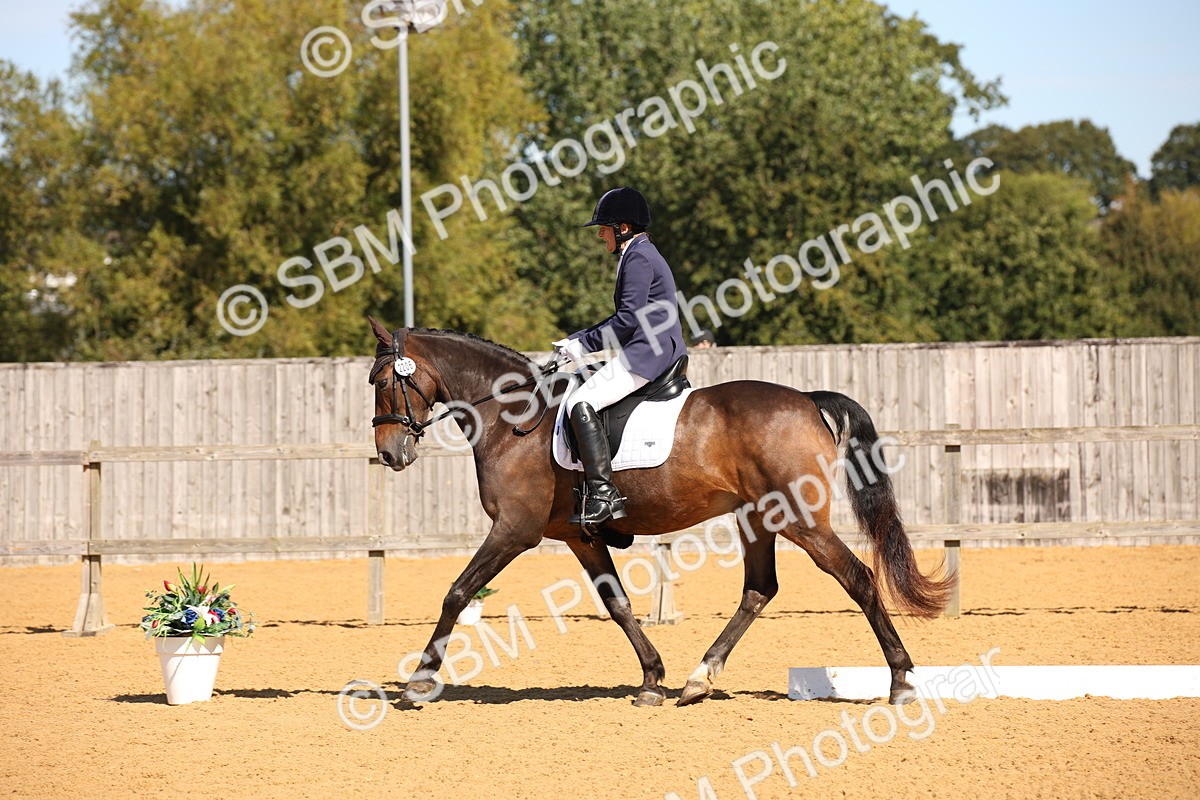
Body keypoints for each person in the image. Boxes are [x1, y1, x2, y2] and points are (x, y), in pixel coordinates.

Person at [552, 187, 686, 526]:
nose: (600, 234)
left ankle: (603, 493)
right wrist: (576, 339)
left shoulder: (639, 257)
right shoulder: (640, 252)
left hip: (648, 354)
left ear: (623, 228)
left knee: (579, 403)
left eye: (603, 228)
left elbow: (628, 320)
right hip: (651, 349)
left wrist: (582, 347)